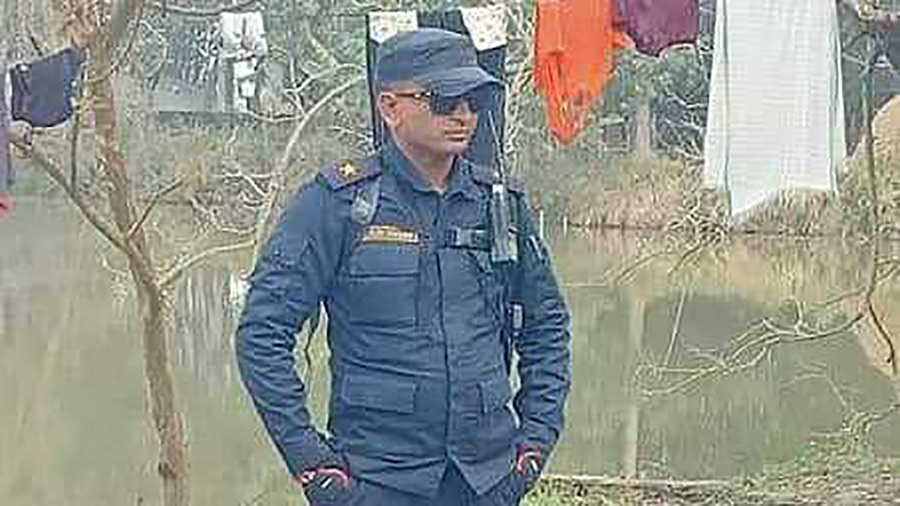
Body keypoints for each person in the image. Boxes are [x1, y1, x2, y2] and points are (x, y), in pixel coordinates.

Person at [236, 28, 571, 506]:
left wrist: (535, 441)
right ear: (390, 107)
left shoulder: (499, 205)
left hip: (487, 480)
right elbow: (262, 334)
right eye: (444, 100)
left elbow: (547, 326)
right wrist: (310, 460)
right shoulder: (337, 205)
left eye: (475, 100)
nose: (463, 114)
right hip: (375, 482)